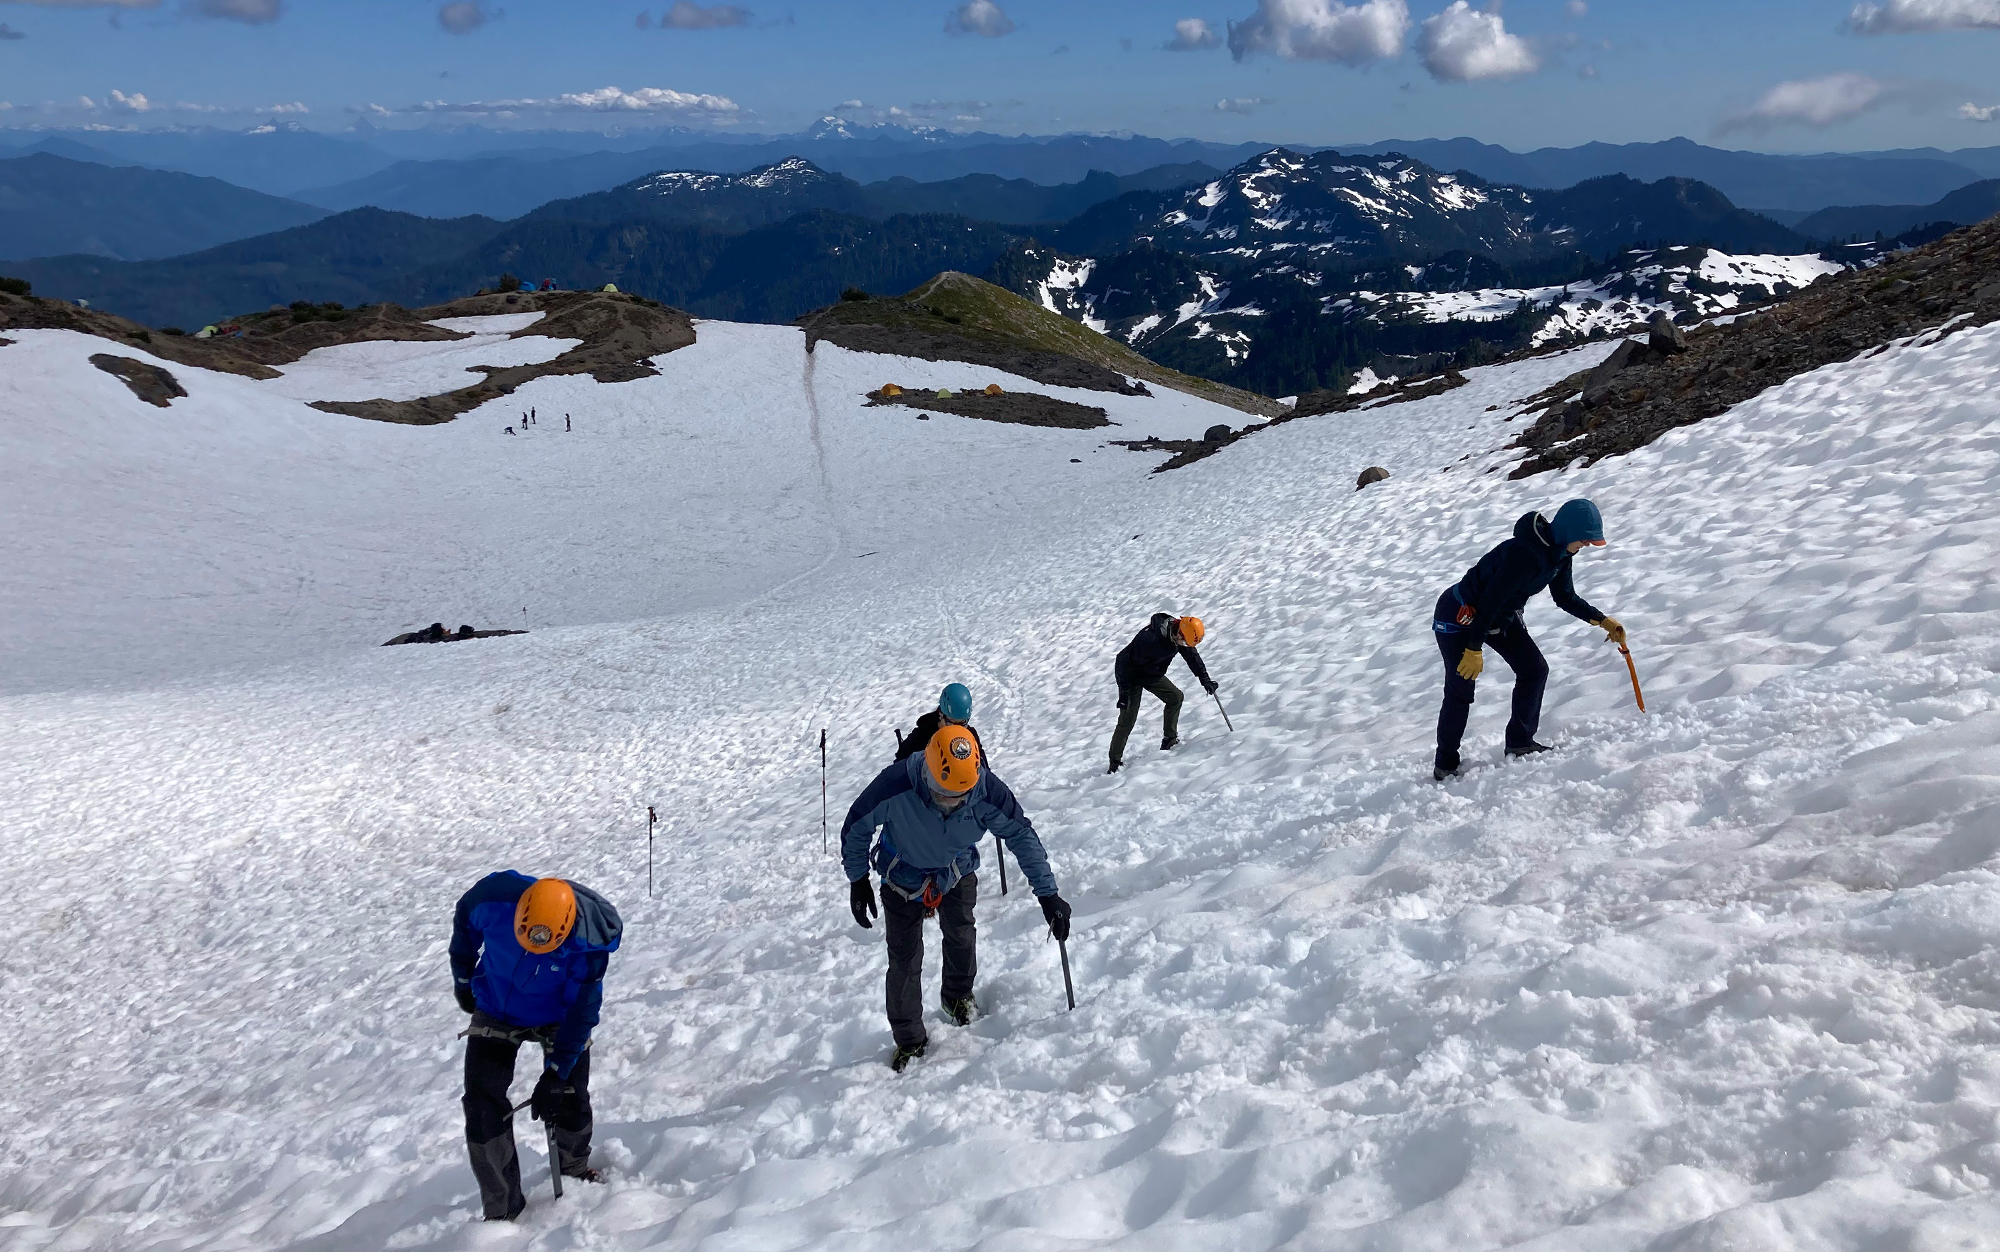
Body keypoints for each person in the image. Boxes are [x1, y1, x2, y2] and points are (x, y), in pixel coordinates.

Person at [842, 725, 1071, 1072]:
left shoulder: (985, 790)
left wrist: (1048, 894)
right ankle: (910, 1040)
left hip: (954, 869)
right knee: (904, 960)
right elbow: (857, 826)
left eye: (960, 796)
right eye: (942, 793)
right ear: (928, 771)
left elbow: (1021, 835)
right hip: (903, 876)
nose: (951, 803)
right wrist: (858, 880)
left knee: (962, 932)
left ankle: (957, 995)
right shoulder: (897, 783)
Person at [450, 872, 623, 1221]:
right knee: (482, 1103)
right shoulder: (493, 898)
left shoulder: (588, 944)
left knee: (571, 1093)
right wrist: (464, 979)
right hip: (496, 1004)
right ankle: (502, 1209)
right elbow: (465, 923)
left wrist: (556, 1075)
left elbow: (582, 1012)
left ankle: (574, 1171)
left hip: (559, 1016)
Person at [1430, 498, 1626, 781]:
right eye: (1584, 540)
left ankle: (1520, 742)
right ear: (1570, 532)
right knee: (1461, 689)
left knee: (1534, 670)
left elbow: (1564, 597)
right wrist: (1474, 648)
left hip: (1499, 616)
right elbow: (1490, 600)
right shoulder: (1526, 554)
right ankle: (1445, 765)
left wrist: (1602, 620)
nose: (1585, 547)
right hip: (1459, 616)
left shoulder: (1560, 554)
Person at [1108, 614, 1216, 773]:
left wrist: (1204, 678)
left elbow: (1192, 655)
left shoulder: (1181, 635)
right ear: (1179, 633)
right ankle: (1114, 763)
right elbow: (1123, 663)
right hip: (1131, 676)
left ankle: (1169, 739)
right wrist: (1124, 695)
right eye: (1184, 642)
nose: (1185, 645)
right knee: (1128, 719)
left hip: (1152, 674)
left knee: (1176, 697)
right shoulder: (1149, 640)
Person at [894, 682, 983, 762]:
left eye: (962, 723)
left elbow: (985, 772)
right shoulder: (922, 736)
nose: (957, 728)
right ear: (940, 715)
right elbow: (899, 769)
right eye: (951, 722)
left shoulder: (971, 737)